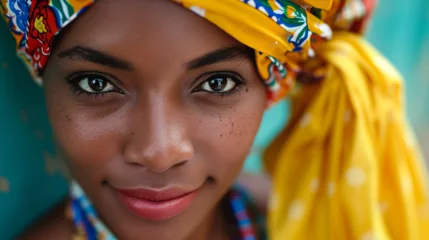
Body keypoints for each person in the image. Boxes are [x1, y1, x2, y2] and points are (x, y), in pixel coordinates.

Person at [1, 0, 428, 239]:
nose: (159, 152)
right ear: (43, 78)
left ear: (271, 89)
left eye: (218, 83)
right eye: (96, 84)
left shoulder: (292, 221)